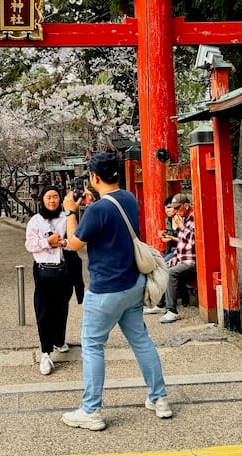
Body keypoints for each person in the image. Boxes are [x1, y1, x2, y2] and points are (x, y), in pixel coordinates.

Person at [61, 151, 172, 431]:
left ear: (94, 177)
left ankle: (91, 411)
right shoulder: (128, 199)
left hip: (105, 290)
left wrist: (71, 211)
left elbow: (74, 243)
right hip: (133, 284)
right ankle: (159, 399)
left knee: (93, 345)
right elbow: (110, 222)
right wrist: (93, 205)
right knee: (141, 341)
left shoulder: (98, 210)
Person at [24, 185, 75, 376]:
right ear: (42, 200)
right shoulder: (36, 221)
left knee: (61, 308)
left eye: (55, 197)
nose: (52, 200)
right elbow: (30, 245)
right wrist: (47, 242)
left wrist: (62, 242)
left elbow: (75, 241)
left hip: (63, 270)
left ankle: (59, 340)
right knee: (44, 311)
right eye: (48, 197)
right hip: (43, 270)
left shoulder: (66, 218)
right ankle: (45, 352)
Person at [157, 192, 196, 324]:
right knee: (161, 268)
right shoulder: (183, 218)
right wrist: (175, 258)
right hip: (181, 258)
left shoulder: (193, 218)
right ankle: (159, 304)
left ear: (186, 206)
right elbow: (181, 243)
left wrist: (181, 226)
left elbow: (194, 240)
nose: (176, 211)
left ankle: (172, 311)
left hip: (192, 260)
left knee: (170, 273)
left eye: (178, 207)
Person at [142, 195, 179, 315]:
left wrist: (171, 238)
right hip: (171, 250)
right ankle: (157, 302)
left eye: (170, 207)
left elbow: (186, 240)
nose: (167, 210)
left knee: (160, 270)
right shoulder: (169, 220)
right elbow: (171, 237)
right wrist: (163, 235)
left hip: (179, 252)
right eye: (166, 208)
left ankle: (160, 304)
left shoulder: (182, 220)